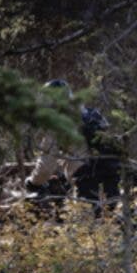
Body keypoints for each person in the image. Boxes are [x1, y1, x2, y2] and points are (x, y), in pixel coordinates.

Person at [25, 79, 120, 207]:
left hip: (86, 176)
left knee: (90, 222)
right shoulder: (90, 113)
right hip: (111, 170)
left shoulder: (57, 122)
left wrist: (33, 182)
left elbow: (46, 165)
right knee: (112, 217)